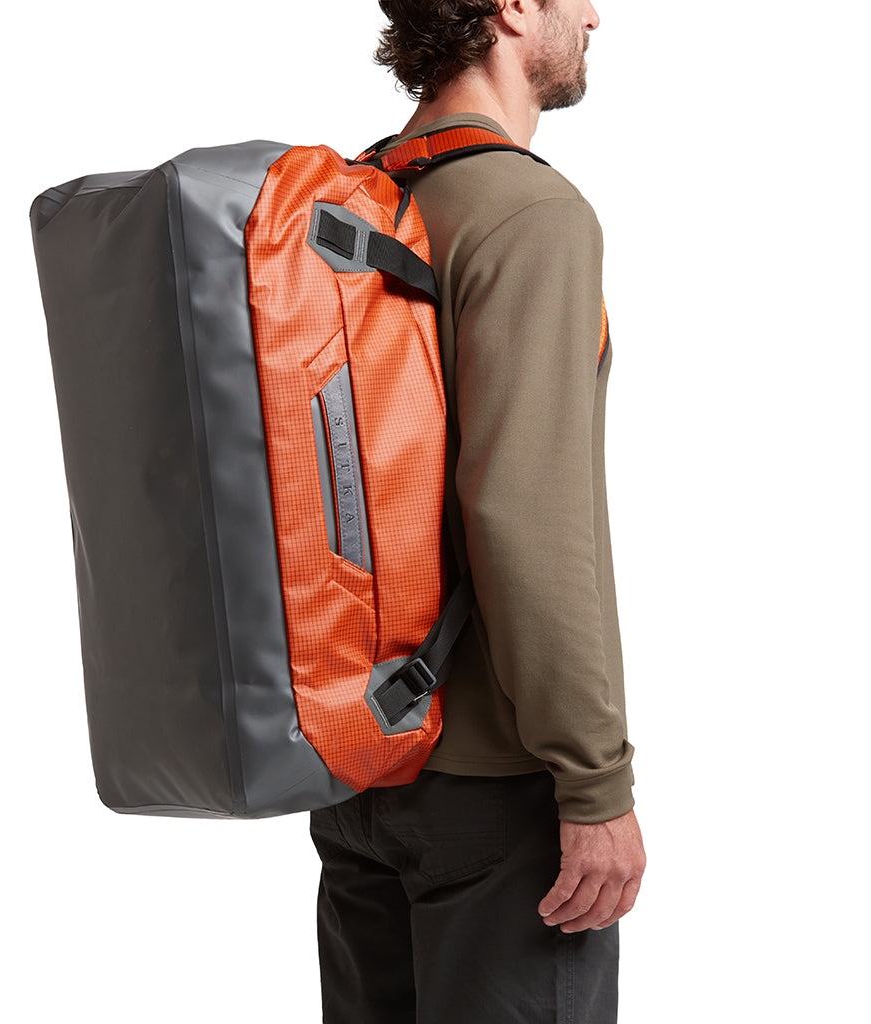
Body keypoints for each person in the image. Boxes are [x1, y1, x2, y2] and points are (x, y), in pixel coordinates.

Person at [307, 2, 647, 1021]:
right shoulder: (528, 213)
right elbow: (524, 519)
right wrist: (594, 783)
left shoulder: (356, 202)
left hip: (358, 764)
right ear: (511, 8)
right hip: (496, 789)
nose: (594, 15)